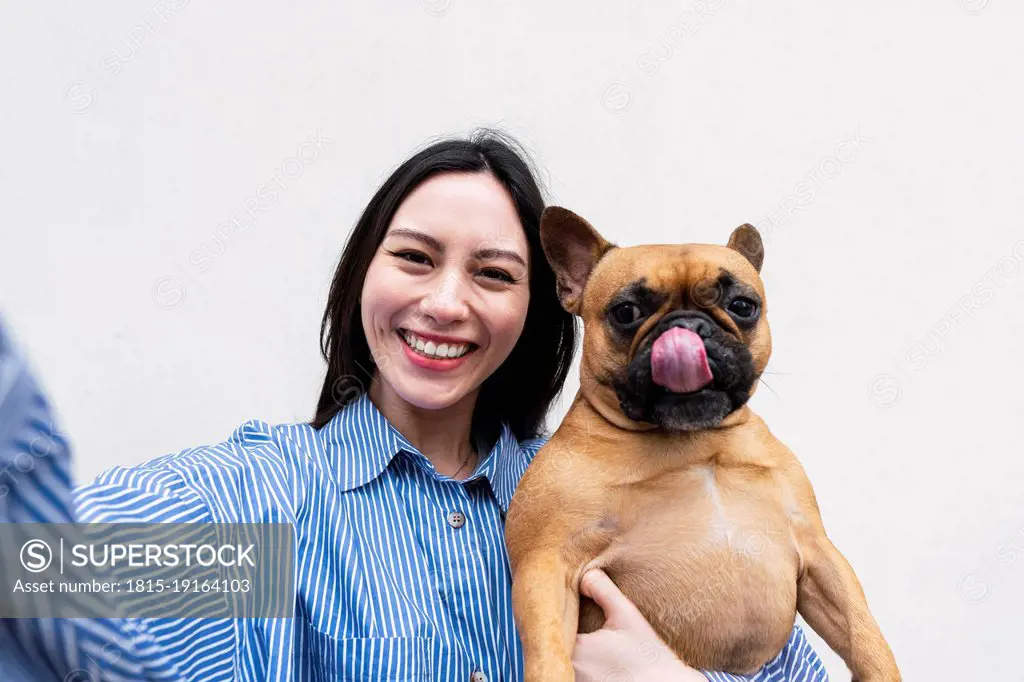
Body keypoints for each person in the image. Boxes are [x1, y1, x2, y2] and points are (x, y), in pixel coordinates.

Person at [2, 130, 829, 681]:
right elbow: (34, 578)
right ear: (364, 271)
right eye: (414, 257)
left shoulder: (640, 500)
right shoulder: (273, 517)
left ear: (543, 310)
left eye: (494, 274)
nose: (444, 302)